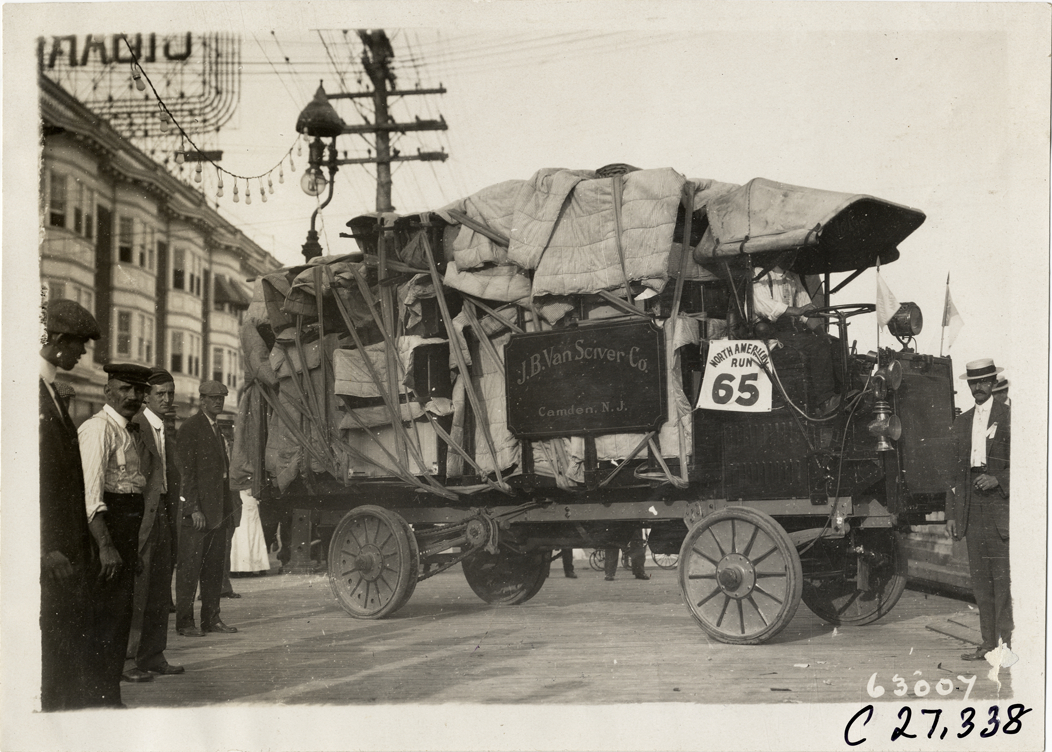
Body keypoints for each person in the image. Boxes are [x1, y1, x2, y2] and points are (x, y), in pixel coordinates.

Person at [78, 362, 152, 706]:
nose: (132, 397)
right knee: (105, 621)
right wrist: (106, 547)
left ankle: (109, 698)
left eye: (138, 391)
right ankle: (99, 701)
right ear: (108, 390)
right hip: (106, 535)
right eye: (124, 389)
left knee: (119, 620)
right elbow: (90, 496)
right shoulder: (99, 430)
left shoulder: (128, 430)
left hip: (124, 532)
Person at [39, 299, 100, 711]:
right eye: (79, 344)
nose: (83, 353)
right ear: (59, 340)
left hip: (66, 548)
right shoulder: (28, 391)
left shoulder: (50, 391)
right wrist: (46, 548)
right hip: (52, 552)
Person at [945, 358, 1011, 662]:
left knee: (1003, 577)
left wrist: (998, 479)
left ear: (994, 382)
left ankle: (1007, 645)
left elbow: (1033, 463)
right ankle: (988, 643)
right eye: (973, 383)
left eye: (984, 381)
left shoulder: (1009, 417)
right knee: (981, 579)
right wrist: (951, 514)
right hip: (971, 506)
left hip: (1000, 505)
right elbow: (955, 473)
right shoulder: (962, 421)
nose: (978, 387)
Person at [125, 367, 183, 679]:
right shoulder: (136, 426)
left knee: (160, 589)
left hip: (164, 514)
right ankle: (130, 658)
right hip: (142, 517)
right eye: (160, 394)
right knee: (139, 589)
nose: (167, 399)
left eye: (170, 393)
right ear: (146, 397)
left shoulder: (164, 429)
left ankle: (154, 654)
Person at [175, 380, 238, 636]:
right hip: (199, 514)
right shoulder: (191, 428)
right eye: (212, 398)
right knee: (190, 569)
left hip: (218, 512)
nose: (218, 402)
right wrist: (192, 508)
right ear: (201, 400)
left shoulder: (217, 429)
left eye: (221, 397)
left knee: (213, 568)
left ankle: (211, 619)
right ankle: (185, 623)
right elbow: (185, 473)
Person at [751, 256, 839, 415]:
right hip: (768, 332)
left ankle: (846, 394)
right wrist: (797, 311)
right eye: (789, 253)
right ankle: (825, 402)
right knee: (817, 346)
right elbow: (763, 306)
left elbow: (806, 311)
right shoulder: (759, 274)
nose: (792, 258)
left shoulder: (793, 278)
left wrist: (822, 333)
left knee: (834, 343)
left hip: (789, 331)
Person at [230, 488, 272, 575]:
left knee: (242, 532)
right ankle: (248, 567)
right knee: (250, 532)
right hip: (246, 494)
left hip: (239, 494)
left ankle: (239, 567)